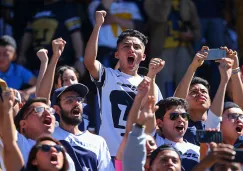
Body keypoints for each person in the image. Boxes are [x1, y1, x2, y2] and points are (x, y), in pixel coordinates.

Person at [84, 10, 163, 157]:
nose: (131, 49)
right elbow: (89, 61)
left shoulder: (151, 84)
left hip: (139, 156)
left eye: (137, 47)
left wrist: (151, 76)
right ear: (117, 54)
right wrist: (98, 26)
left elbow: (152, 118)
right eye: (126, 46)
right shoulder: (108, 75)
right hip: (109, 154)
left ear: (143, 56)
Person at [144, 0, 201, 97]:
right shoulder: (151, 2)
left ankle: (185, 109)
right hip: (162, 49)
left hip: (183, 47)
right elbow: (160, 17)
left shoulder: (187, 3)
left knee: (186, 81)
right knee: (163, 83)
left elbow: (197, 28)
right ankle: (163, 109)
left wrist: (191, 35)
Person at [52, 83, 114, 171]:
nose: (76, 103)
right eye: (69, 100)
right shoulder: (49, 137)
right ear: (57, 109)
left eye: (79, 99)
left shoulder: (98, 142)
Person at [18, 0, 85, 76]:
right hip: (37, 64)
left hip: (61, 64)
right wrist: (21, 55)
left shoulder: (66, 8)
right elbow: (28, 34)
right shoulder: (35, 9)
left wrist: (79, 59)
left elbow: (75, 34)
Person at [88, 0, 145, 68]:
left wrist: (114, 19)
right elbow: (103, 19)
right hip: (106, 51)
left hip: (129, 52)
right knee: (107, 77)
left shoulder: (131, 5)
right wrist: (127, 22)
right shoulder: (95, 4)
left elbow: (139, 27)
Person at [155, 97, 200, 170]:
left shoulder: (198, 150)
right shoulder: (154, 144)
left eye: (184, 116)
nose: (181, 119)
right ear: (160, 123)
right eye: (174, 116)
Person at [0, 35, 37, 99]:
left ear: (14, 56)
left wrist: (26, 92)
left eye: (5, 54)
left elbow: (38, 84)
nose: (1, 58)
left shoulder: (18, 70)